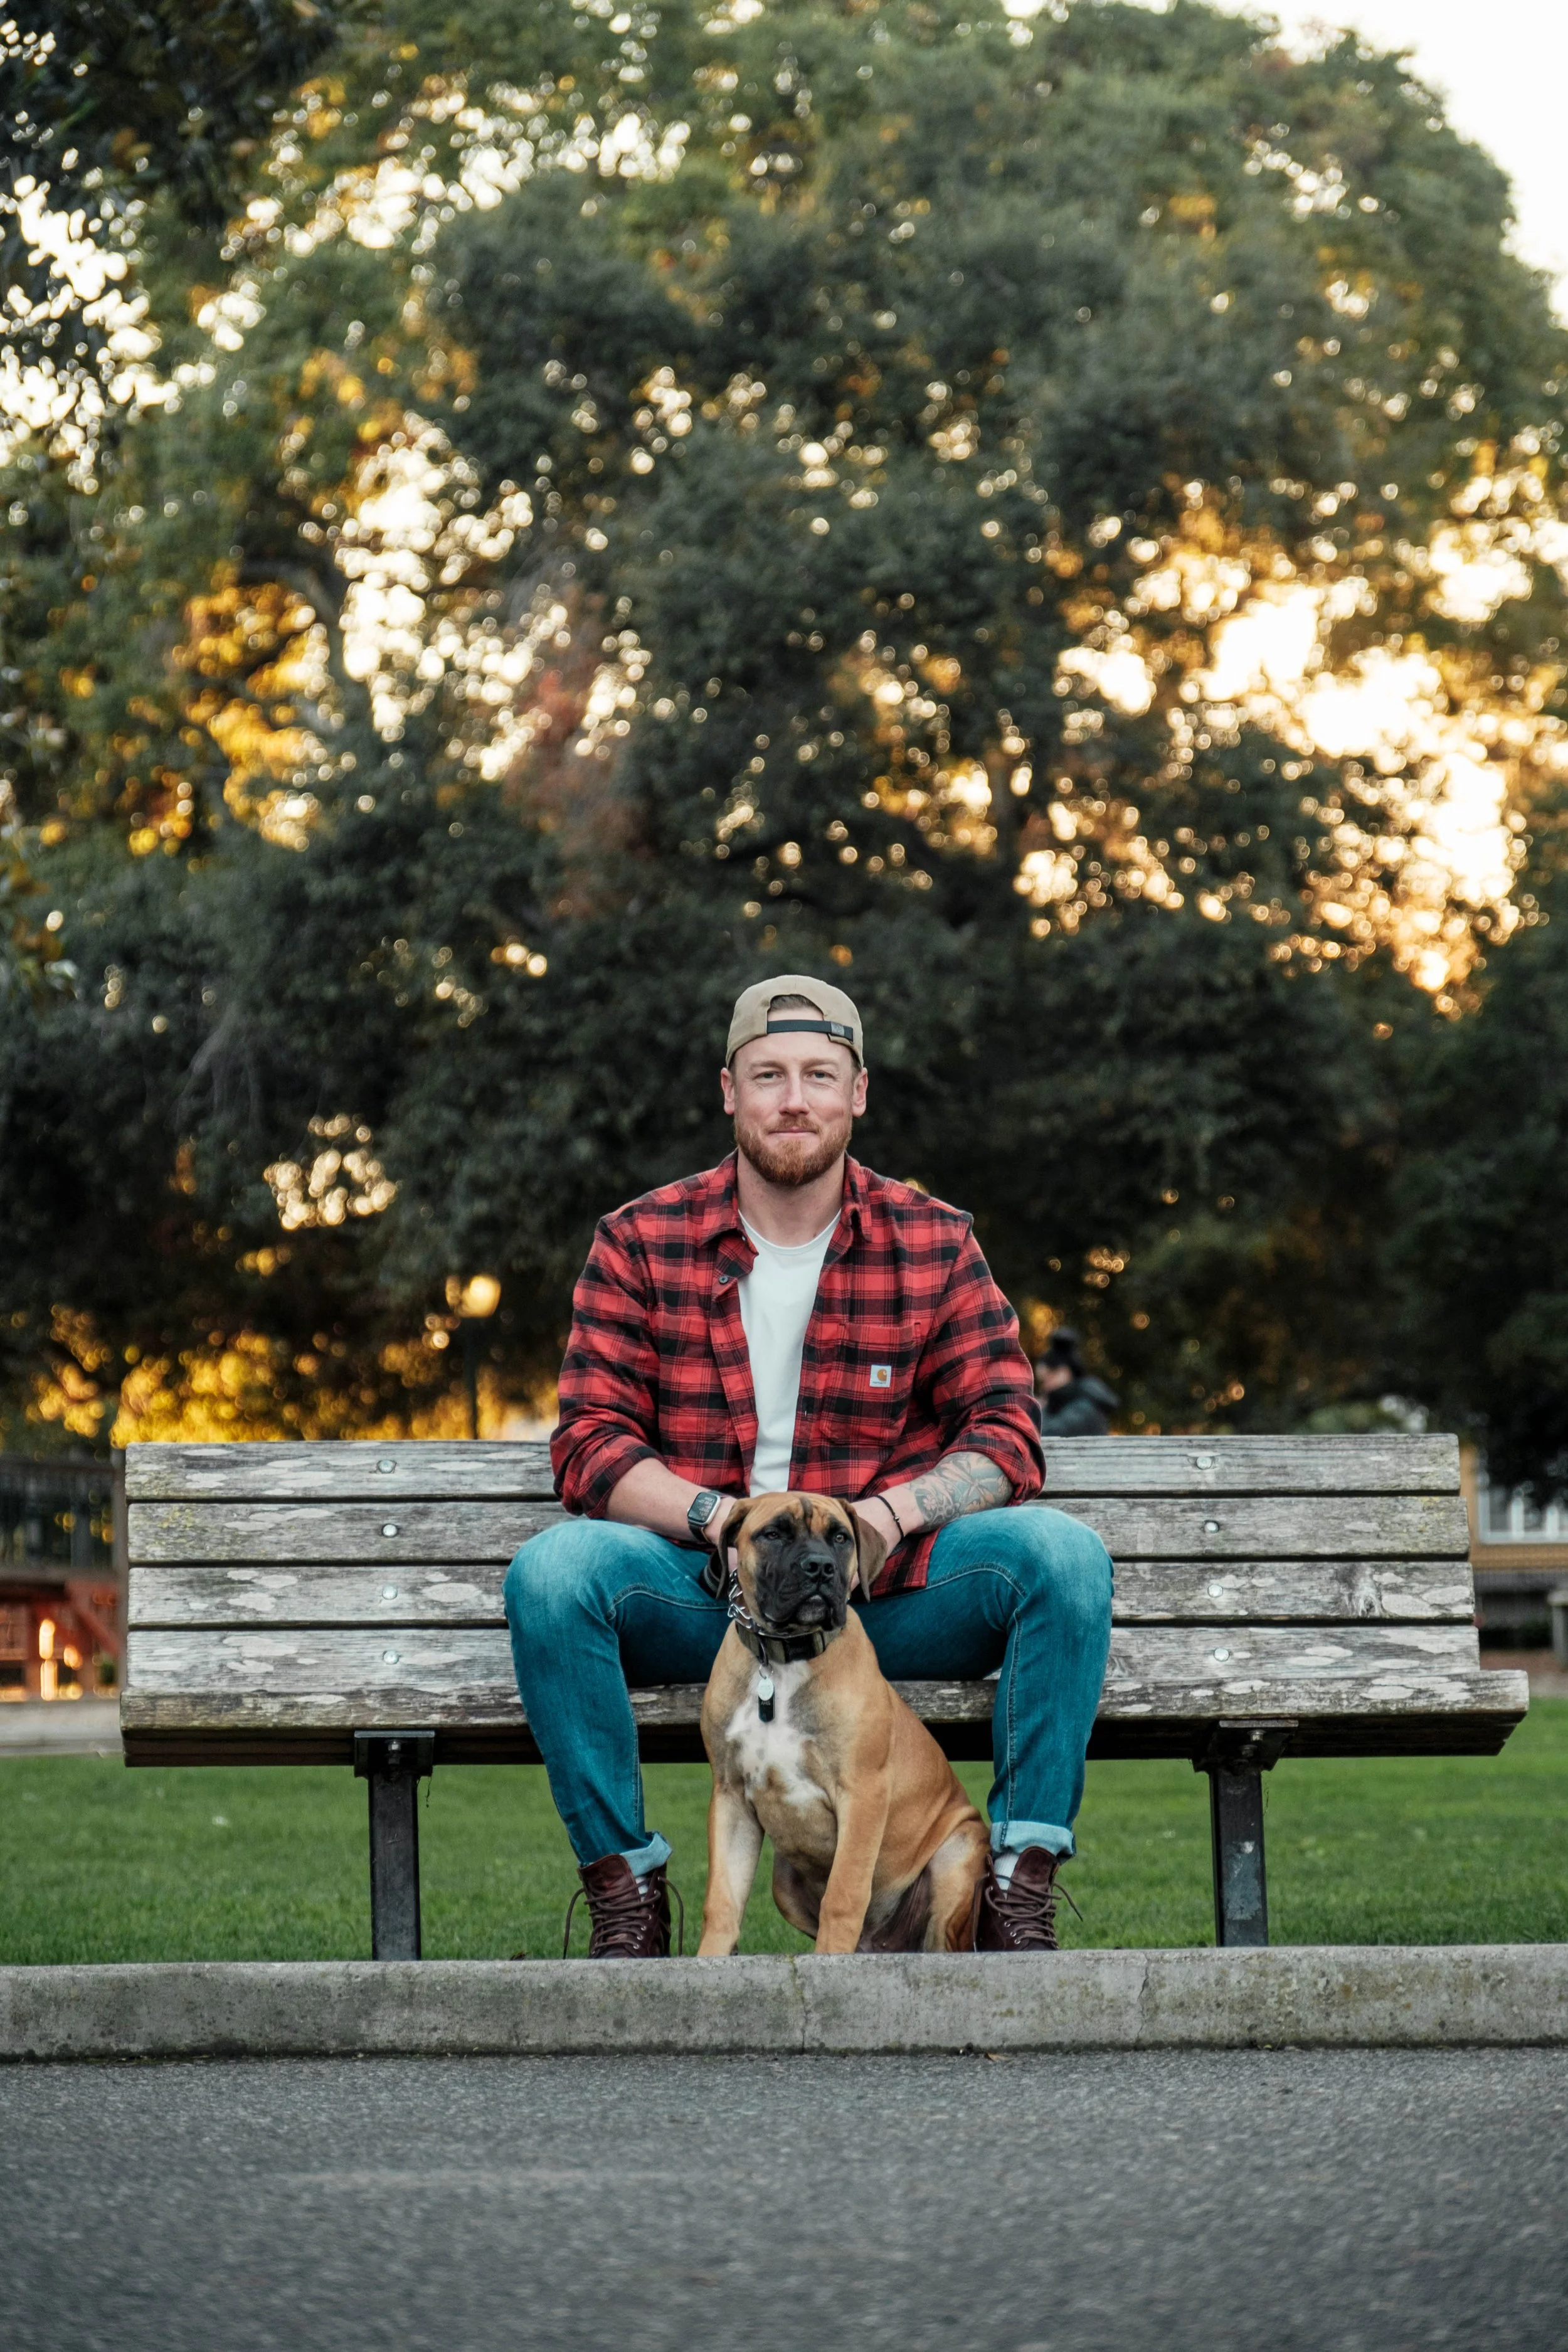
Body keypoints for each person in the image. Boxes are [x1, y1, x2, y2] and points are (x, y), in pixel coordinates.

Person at [504, 975, 1113, 1958]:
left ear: (858, 1093)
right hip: (706, 1596)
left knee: (1063, 1557)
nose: (795, 1098)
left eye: (819, 1075)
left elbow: (1007, 1429)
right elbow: (589, 1443)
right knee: (554, 1573)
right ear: (729, 1090)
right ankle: (627, 1893)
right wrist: (716, 1517)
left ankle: (1012, 1888)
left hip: (886, 1595)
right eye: (770, 1074)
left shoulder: (933, 1240)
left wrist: (890, 1514)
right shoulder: (640, 1241)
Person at [1034, 1329, 1120, 1438]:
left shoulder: (1085, 1407)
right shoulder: (1075, 1403)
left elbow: (1048, 1435)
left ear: (1064, 1372)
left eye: (1046, 1380)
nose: (1044, 1388)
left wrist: (1038, 1412)